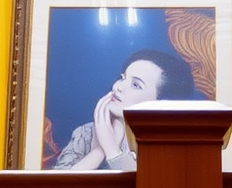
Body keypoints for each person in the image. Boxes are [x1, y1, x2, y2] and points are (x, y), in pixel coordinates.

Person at [53, 47, 196, 173]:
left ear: (160, 102)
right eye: (123, 78)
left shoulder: (169, 144)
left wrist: (111, 149)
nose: (118, 87)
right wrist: (100, 150)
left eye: (136, 85)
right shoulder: (86, 133)